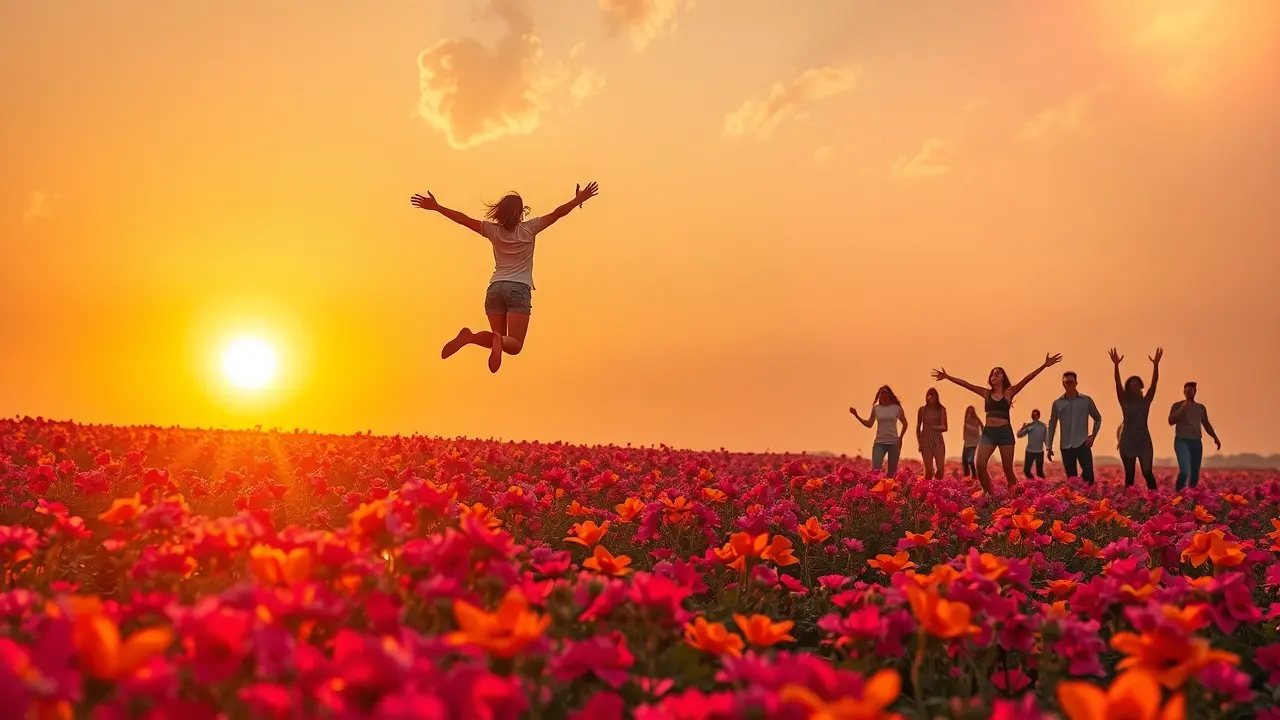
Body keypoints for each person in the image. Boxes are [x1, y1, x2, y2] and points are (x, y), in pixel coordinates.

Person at [410, 182, 600, 373]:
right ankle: (487, 339)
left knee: (497, 339)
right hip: (518, 288)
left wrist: (437, 207)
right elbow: (558, 213)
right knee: (515, 345)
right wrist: (579, 199)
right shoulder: (530, 228)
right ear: (520, 213)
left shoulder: (493, 231)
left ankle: (471, 337)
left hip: (495, 289)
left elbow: (464, 220)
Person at [932, 354, 1063, 493]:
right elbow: (966, 385)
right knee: (980, 465)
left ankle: (1017, 496)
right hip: (989, 433)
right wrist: (947, 377)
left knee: (1007, 469)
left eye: (998, 373)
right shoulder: (986, 393)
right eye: (992, 373)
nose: (994, 375)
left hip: (1005, 433)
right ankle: (989, 494)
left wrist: (1044, 365)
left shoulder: (1009, 393)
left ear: (1002, 378)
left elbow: (1026, 380)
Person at [1110, 347, 1162, 490]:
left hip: (1144, 438)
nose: (1134, 388)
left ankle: (1155, 499)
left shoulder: (1146, 401)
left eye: (1137, 385)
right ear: (1128, 388)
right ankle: (1129, 502)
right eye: (1131, 385)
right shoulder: (1124, 401)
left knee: (1147, 472)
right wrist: (1116, 365)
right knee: (1130, 475)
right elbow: (1117, 383)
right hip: (1127, 439)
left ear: (1140, 387)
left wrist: (1156, 365)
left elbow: (1154, 384)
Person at [1046, 371, 1103, 485]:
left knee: (1089, 477)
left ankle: (1087, 499)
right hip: (1066, 446)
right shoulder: (1057, 403)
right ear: (1063, 383)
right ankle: (1077, 501)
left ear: (1076, 382)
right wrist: (1049, 446)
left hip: (1083, 443)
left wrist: (1093, 436)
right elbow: (1052, 424)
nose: (1068, 384)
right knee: (1072, 480)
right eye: (1066, 382)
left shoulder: (1086, 400)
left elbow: (1097, 418)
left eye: (1071, 382)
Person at [1169, 381, 1222, 490]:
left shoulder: (1200, 408)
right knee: (1185, 470)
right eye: (1187, 390)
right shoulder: (1177, 405)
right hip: (1181, 440)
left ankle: (1192, 495)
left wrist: (1215, 437)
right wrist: (1183, 407)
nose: (1188, 392)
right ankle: (1178, 493)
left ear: (1195, 392)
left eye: (1191, 390)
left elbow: (1206, 423)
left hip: (1196, 441)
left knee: (1194, 471)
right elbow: (1171, 421)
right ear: (1183, 391)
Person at [850, 386, 908, 476]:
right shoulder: (876, 409)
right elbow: (869, 424)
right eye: (881, 394)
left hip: (894, 443)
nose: (883, 395)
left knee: (892, 473)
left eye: (885, 393)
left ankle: (890, 489)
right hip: (879, 443)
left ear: (889, 395)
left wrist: (900, 438)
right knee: (875, 471)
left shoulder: (896, 408)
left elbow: (905, 424)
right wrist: (857, 416)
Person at [916, 389, 948, 480]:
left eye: (933, 395)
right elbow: (918, 428)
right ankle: (928, 490)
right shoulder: (922, 410)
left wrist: (934, 427)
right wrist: (919, 443)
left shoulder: (942, 409)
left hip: (937, 439)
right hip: (925, 439)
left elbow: (945, 427)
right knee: (929, 470)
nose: (930, 397)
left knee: (940, 470)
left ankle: (938, 488)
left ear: (936, 397)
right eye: (928, 395)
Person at [1017, 410, 1047, 479]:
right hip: (1029, 451)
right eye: (1033, 415)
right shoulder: (1029, 426)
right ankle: (1033, 483)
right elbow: (1019, 435)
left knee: (1039, 472)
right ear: (1032, 416)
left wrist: (1049, 449)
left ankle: (1044, 485)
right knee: (1026, 470)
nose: (1034, 416)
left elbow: (1046, 440)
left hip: (1039, 451)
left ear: (1039, 416)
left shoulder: (1043, 426)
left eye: (1036, 414)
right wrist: (1023, 427)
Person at [961, 407, 982, 478]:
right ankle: (967, 476)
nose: (969, 413)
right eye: (968, 412)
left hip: (974, 442)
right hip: (967, 442)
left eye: (971, 412)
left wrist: (982, 437)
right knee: (964, 460)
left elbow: (982, 427)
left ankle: (974, 476)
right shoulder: (966, 420)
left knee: (970, 460)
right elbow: (965, 431)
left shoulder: (976, 420)